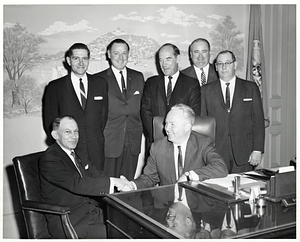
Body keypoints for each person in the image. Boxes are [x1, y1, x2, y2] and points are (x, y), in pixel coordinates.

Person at [39, 115, 126, 239]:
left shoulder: (79, 152)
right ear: (55, 135)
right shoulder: (50, 159)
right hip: (70, 220)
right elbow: (77, 184)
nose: (74, 136)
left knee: (130, 225)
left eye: (76, 131)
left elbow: (96, 175)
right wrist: (112, 183)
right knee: (120, 235)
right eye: (68, 132)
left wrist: (120, 185)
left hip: (93, 212)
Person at [120, 104, 228, 190]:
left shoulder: (203, 143)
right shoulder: (157, 148)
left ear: (187, 126)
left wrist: (190, 175)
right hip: (167, 204)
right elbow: (149, 177)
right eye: (166, 123)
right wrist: (132, 185)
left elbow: (220, 167)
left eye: (172, 124)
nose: (166, 128)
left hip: (197, 203)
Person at [42, 43, 108, 171]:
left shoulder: (100, 83)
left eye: (85, 58)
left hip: (96, 149)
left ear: (89, 60)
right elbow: (50, 122)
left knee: (97, 187)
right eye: (76, 58)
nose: (81, 63)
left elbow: (103, 117)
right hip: (69, 150)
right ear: (68, 60)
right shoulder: (55, 87)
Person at [201, 50, 265, 173]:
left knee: (242, 190)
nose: (224, 67)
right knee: (219, 190)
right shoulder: (206, 90)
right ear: (216, 67)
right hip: (216, 153)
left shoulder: (250, 88)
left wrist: (257, 149)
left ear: (235, 65)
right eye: (220, 64)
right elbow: (204, 125)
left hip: (245, 153)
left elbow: (258, 122)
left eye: (227, 63)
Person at [94, 39, 144, 180]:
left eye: (124, 53)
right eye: (116, 53)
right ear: (109, 54)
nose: (120, 57)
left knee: (128, 185)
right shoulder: (98, 79)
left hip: (132, 141)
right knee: (108, 185)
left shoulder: (138, 77)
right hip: (109, 142)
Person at [141, 43, 201, 144]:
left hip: (181, 142)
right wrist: (158, 134)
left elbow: (192, 114)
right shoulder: (151, 82)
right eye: (161, 60)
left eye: (168, 59)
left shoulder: (191, 84)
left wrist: (176, 136)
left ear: (178, 59)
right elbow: (145, 111)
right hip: (155, 142)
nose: (164, 64)